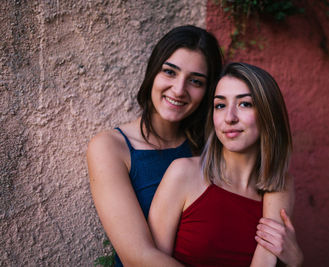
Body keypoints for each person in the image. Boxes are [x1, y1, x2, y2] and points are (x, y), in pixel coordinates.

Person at [87, 25, 301, 266]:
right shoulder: (111, 147)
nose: (179, 90)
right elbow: (137, 257)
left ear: (208, 92)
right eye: (169, 72)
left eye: (196, 81)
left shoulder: (214, 146)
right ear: (152, 73)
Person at [148, 62, 303, 267]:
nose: (229, 118)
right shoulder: (184, 173)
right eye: (220, 105)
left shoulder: (279, 186)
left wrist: (296, 262)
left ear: (268, 114)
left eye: (245, 104)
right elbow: (147, 261)